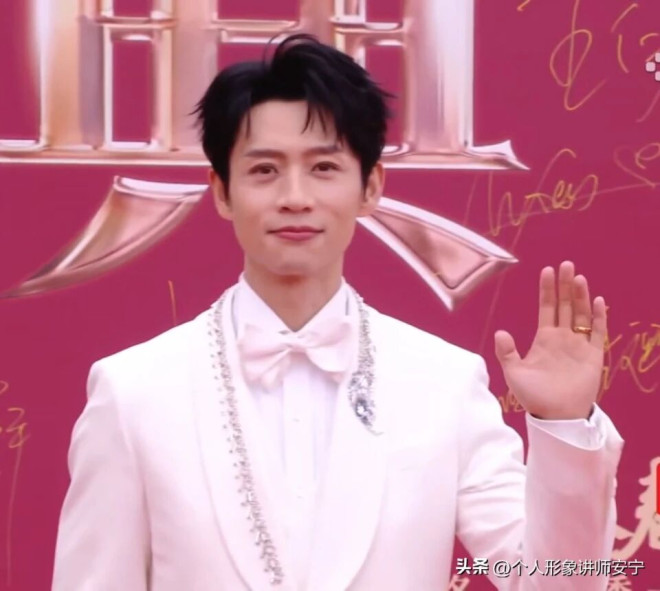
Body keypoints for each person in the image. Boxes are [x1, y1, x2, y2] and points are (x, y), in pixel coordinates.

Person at [52, 34, 624, 590]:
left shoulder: (444, 382)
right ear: (222, 192)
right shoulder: (133, 392)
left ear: (370, 187)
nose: (295, 197)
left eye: (324, 168)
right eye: (264, 170)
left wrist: (564, 427)